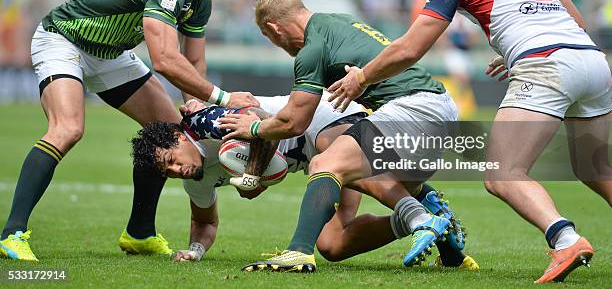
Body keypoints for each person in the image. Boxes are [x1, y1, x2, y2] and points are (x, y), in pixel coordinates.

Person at [327, 0, 611, 284]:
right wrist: (513, 52)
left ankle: (565, 239)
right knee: (595, 168)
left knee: (502, 172)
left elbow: (410, 48)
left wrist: (362, 77)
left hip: (546, 64)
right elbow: (574, 19)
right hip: (592, 60)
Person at [0, 0, 260, 262]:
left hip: (109, 55)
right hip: (64, 40)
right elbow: (165, 60)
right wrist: (224, 99)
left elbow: (193, 59)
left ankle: (139, 233)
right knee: (68, 129)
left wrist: (194, 104)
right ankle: (12, 234)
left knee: (170, 132)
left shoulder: (200, 0)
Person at [218, 0, 464, 272]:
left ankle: (298, 253)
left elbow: (294, 122)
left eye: (268, 36)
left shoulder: (311, 50)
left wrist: (256, 127)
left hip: (415, 109)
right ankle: (442, 237)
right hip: (441, 110)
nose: (274, 43)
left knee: (326, 163)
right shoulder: (341, 21)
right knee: (349, 226)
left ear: (274, 28)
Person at [131, 96, 477, 269]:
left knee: (345, 166)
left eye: (171, 161)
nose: (176, 171)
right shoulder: (197, 182)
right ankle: (426, 222)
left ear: (177, 138)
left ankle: (419, 214)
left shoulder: (204, 125)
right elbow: (204, 222)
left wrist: (253, 175)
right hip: (311, 156)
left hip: (320, 120)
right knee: (333, 245)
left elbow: (263, 124)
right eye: (168, 173)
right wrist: (195, 250)